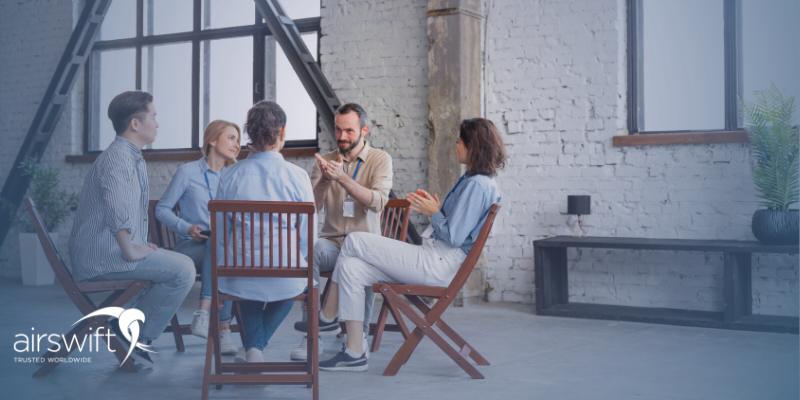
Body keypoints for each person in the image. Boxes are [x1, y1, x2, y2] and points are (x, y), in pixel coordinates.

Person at [296, 117, 505, 372]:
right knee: (350, 267)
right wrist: (437, 209)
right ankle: (354, 353)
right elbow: (459, 227)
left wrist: (434, 213)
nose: (456, 147)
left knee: (353, 240)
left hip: (437, 263)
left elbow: (454, 236)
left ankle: (327, 317)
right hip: (435, 258)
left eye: (459, 142)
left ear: (473, 146)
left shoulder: (478, 185)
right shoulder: (475, 181)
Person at [68, 91, 196, 369]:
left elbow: (123, 209)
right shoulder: (118, 159)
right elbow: (118, 210)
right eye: (153, 116)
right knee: (183, 271)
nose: (157, 123)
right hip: (103, 259)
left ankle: (126, 327)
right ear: (135, 124)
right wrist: (130, 250)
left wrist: (140, 244)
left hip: (109, 253)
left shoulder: (129, 157)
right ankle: (131, 334)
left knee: (182, 262)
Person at [213, 100, 315, 363]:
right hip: (287, 273)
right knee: (299, 283)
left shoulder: (229, 175)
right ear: (282, 132)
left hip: (239, 272)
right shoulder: (298, 176)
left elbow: (222, 233)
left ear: (249, 133)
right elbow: (307, 237)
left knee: (247, 285)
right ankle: (256, 348)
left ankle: (253, 350)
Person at [289, 103, 393, 361]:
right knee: (312, 251)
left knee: (362, 261)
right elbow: (312, 208)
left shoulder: (380, 160)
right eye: (338, 130)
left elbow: (378, 203)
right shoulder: (324, 162)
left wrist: (344, 178)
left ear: (364, 131)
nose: (342, 136)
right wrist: (326, 180)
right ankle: (313, 334)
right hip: (333, 245)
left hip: (365, 248)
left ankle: (360, 337)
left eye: (349, 131)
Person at [155, 120, 241, 354]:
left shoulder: (236, 176)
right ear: (212, 140)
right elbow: (161, 210)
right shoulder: (187, 172)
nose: (237, 144)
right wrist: (186, 227)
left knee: (221, 244)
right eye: (231, 138)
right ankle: (224, 330)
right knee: (224, 254)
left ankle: (204, 312)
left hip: (220, 247)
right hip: (190, 247)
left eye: (238, 139)